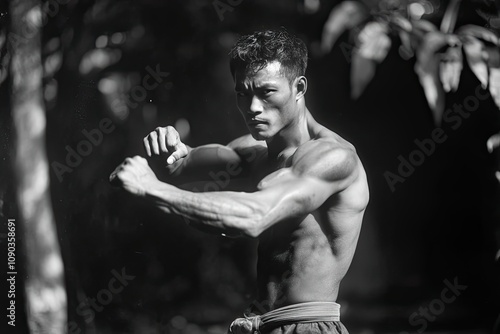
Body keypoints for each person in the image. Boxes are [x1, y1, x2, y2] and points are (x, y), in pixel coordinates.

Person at [110, 29, 369, 334]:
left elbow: (255, 216)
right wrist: (167, 149)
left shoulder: (334, 158)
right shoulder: (252, 153)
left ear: (298, 87)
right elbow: (174, 167)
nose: (253, 107)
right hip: (258, 324)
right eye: (243, 94)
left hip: (308, 327)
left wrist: (152, 188)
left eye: (267, 92)